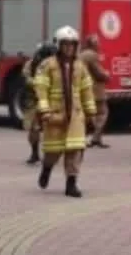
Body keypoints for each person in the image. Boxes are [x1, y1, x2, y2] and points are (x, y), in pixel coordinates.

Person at [33, 26, 97, 199]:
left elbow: (86, 90)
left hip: (75, 116)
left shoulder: (80, 66)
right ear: (58, 45)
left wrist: (91, 113)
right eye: (65, 44)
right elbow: (41, 88)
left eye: (72, 44)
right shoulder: (47, 65)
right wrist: (44, 110)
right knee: (53, 151)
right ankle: (46, 169)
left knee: (75, 150)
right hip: (55, 115)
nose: (69, 48)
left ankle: (71, 184)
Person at [21, 41, 56, 165]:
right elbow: (26, 78)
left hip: (51, 100)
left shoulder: (56, 64)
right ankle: (35, 153)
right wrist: (38, 83)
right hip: (33, 99)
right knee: (33, 128)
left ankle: (50, 154)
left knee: (52, 128)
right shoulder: (31, 64)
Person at [80, 34, 110, 149]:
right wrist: (107, 75)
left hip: (85, 88)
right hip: (95, 90)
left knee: (88, 114)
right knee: (102, 113)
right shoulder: (92, 55)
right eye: (97, 42)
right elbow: (98, 73)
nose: (99, 45)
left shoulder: (81, 54)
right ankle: (96, 138)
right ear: (93, 44)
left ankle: (93, 138)